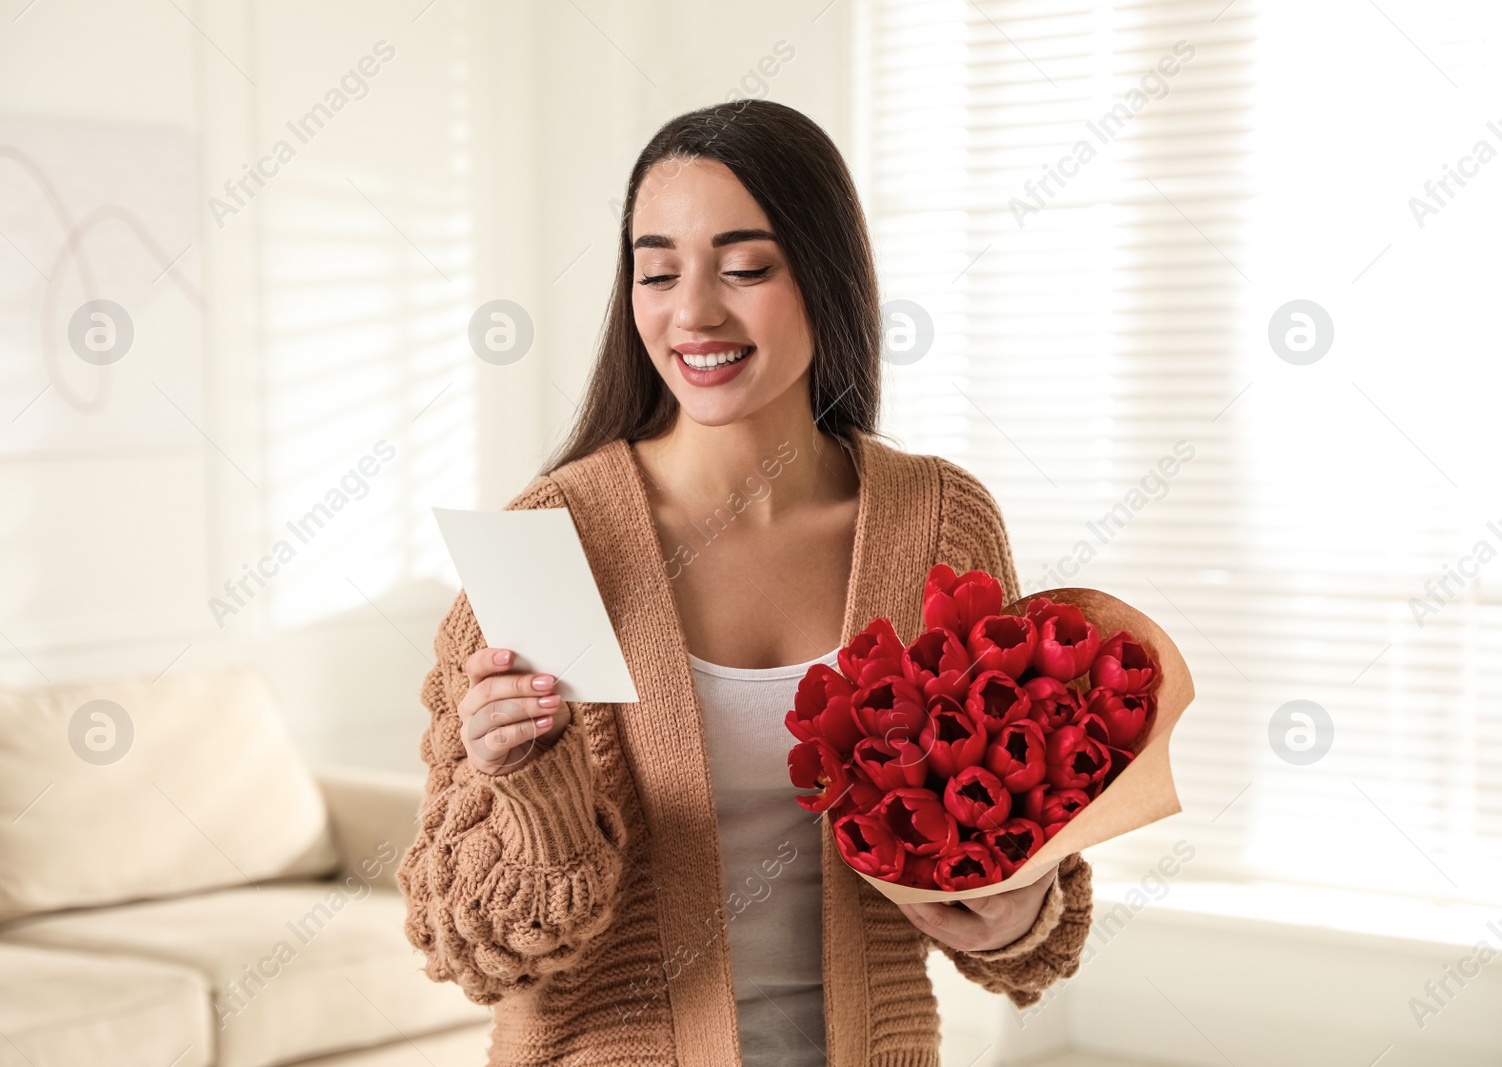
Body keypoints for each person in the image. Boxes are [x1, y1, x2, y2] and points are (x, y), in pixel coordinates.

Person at [398, 99, 1092, 1067]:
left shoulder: (939, 523)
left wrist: (1014, 906)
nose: (693, 313)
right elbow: (465, 944)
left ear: (824, 274)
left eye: (744, 267)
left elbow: (1036, 907)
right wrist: (534, 789)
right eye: (656, 271)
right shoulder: (548, 546)